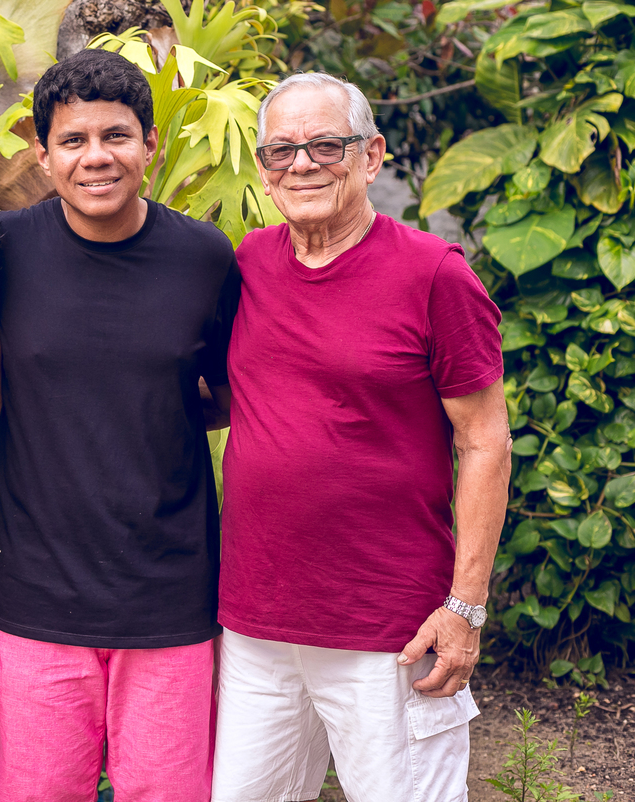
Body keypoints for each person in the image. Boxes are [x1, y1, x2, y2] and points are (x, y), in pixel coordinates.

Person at [211, 72, 511, 802]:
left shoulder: (434, 274)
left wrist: (465, 608)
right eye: (282, 150)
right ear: (263, 169)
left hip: (390, 626)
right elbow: (213, 398)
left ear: (371, 156)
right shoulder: (248, 263)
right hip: (258, 622)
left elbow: (485, 442)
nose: (302, 164)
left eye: (325, 145)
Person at [0, 48, 240, 801]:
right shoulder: (5, 249)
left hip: (169, 590)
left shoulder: (203, 256)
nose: (96, 157)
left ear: (149, 144)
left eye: (116, 136)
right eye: (73, 140)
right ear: (43, 152)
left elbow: (226, 392)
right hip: (39, 591)